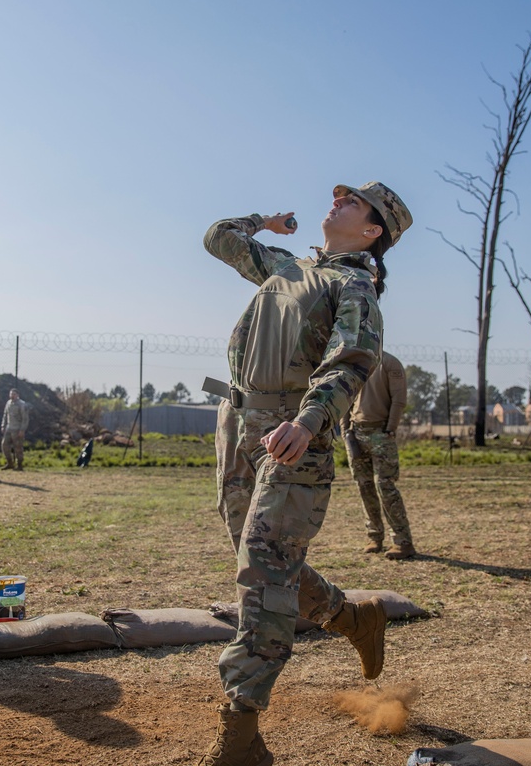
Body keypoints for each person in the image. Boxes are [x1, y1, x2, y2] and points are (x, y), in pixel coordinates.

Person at [199, 181, 412, 766]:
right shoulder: (287, 266)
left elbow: (351, 360)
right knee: (259, 553)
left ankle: (242, 732)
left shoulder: (354, 284)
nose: (337, 199)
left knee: (265, 568)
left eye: (354, 202)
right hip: (239, 421)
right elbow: (218, 238)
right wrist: (263, 221)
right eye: (340, 194)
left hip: (295, 434)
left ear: (372, 230)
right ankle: (349, 616)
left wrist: (312, 420)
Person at [343, 351, 416, 560]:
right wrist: (345, 432)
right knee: (364, 486)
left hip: (381, 434)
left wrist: (390, 429)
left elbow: (399, 399)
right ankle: (374, 537)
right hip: (356, 434)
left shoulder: (390, 363)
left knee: (385, 487)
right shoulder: (354, 363)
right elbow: (346, 399)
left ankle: (403, 542)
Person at [0, 388, 30, 471]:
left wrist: (22, 430)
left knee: (18, 448)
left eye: (13, 394)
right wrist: (3, 426)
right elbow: (5, 415)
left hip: (17, 429)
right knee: (4, 445)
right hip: (9, 428)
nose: (12, 396)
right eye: (11, 394)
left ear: (17, 395)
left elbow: (25, 419)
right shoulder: (8, 403)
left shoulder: (22, 404)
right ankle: (10, 463)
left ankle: (19, 465)